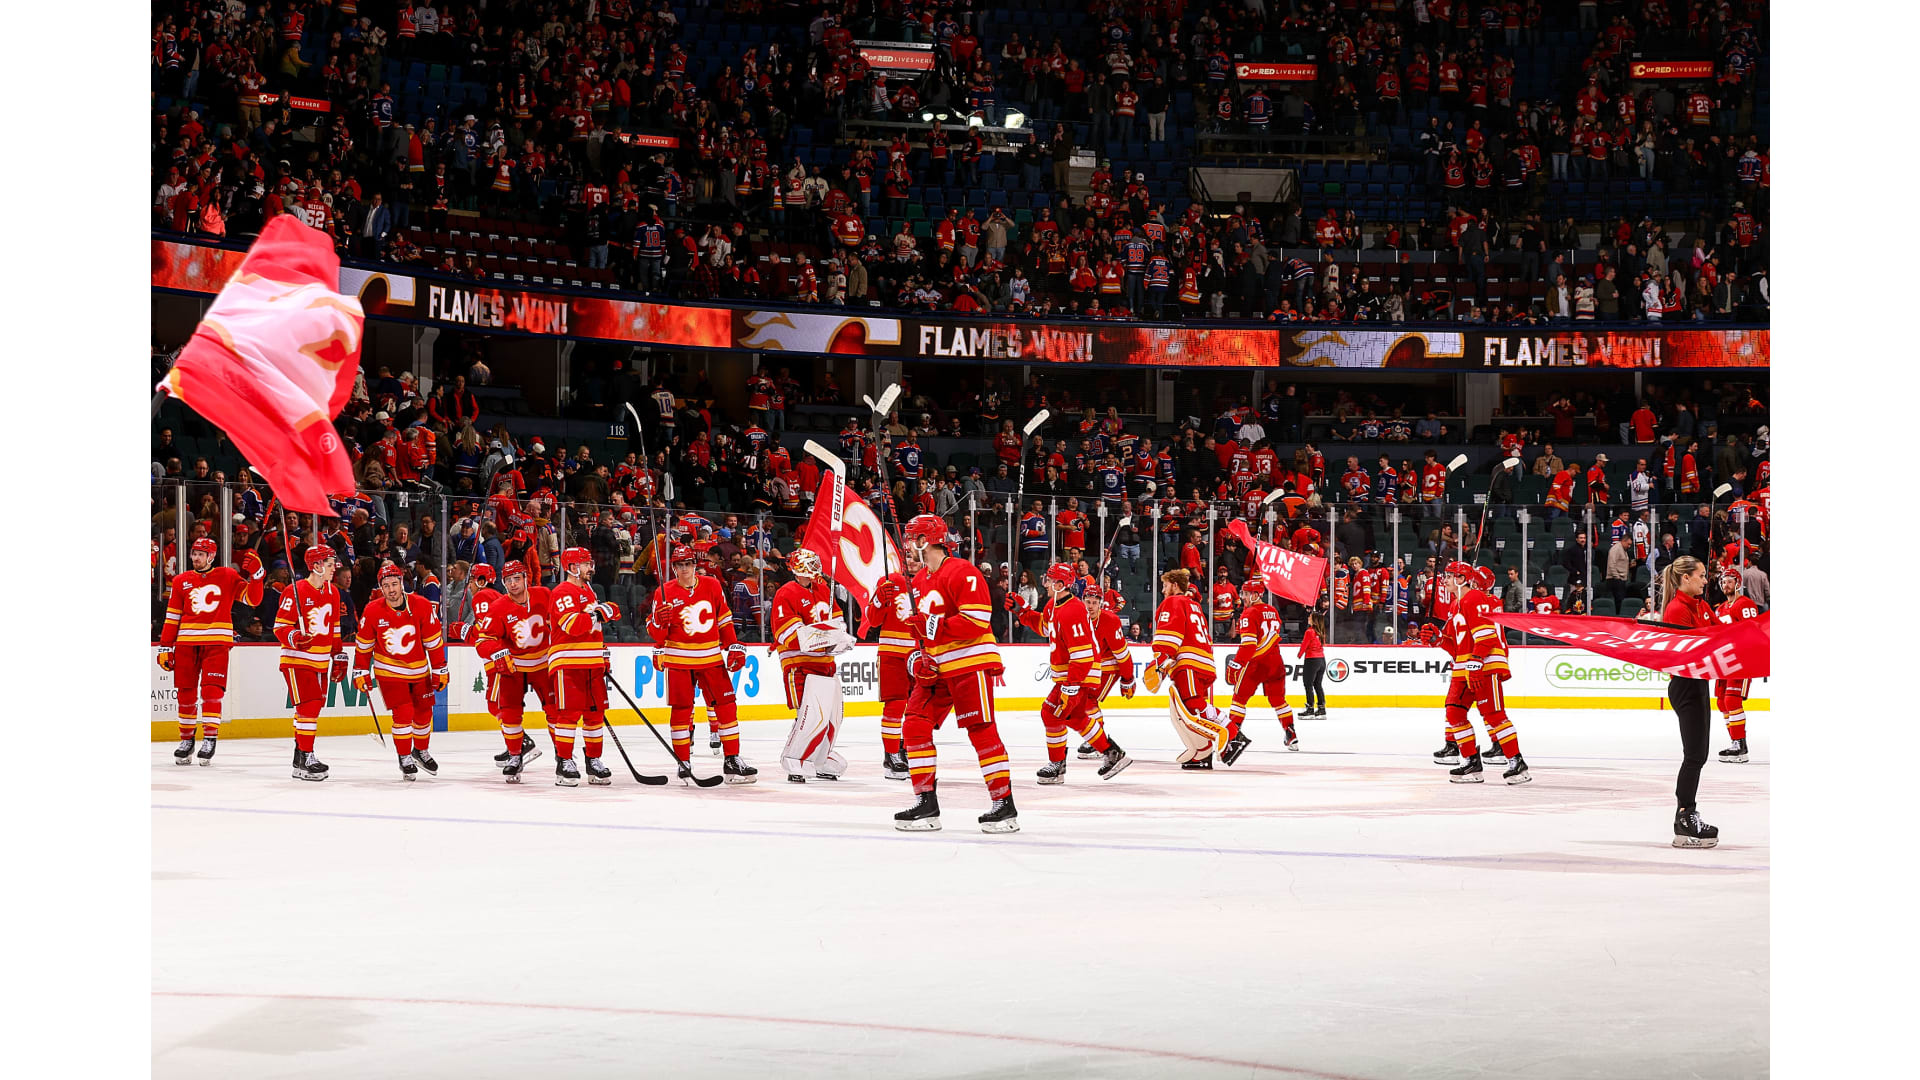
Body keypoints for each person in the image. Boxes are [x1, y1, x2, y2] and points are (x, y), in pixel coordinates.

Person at [890, 513, 1019, 832]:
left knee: (981, 730)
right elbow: (924, 635)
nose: (908, 545)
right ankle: (926, 803)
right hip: (938, 669)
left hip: (969, 663)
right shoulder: (920, 580)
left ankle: (1004, 805)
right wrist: (918, 659)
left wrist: (929, 626)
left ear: (925, 541)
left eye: (912, 538)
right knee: (914, 725)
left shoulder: (963, 571)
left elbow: (976, 620)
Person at [1009, 563, 1132, 784]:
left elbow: (1082, 654)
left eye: (1049, 580)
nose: (1045, 583)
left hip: (1079, 675)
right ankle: (1112, 753)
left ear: (1059, 585)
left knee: (1053, 713)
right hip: (1071, 675)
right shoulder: (1053, 605)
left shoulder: (1073, 610)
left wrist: (1071, 686)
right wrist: (1023, 611)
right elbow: (1044, 627)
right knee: (1072, 716)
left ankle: (1058, 765)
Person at [648, 543, 755, 784]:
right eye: (679, 565)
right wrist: (659, 621)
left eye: (688, 564)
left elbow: (724, 617)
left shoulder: (712, 585)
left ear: (695, 565)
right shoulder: (663, 592)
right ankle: (683, 761)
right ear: (674, 568)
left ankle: (732, 758)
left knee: (727, 706)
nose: (684, 569)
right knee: (681, 710)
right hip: (678, 660)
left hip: (710, 657)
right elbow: (655, 633)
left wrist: (733, 645)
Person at [158, 538, 265, 765]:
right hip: (186, 643)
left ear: (211, 556)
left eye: (201, 554)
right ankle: (186, 740)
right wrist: (165, 646)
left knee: (211, 691)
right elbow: (172, 617)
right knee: (186, 693)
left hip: (216, 643)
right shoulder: (181, 581)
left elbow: (253, 599)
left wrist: (257, 576)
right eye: (194, 553)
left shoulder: (227, 575)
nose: (196, 558)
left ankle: (209, 738)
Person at [351, 562, 450, 779]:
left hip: (419, 671)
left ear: (402, 583)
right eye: (386, 586)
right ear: (381, 588)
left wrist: (440, 668)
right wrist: (361, 670)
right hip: (389, 672)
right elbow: (364, 645)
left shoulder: (421, 605)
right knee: (403, 714)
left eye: (394, 584)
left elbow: (433, 642)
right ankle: (404, 756)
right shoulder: (373, 610)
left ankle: (420, 751)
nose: (391, 589)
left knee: (424, 714)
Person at [1434, 564, 1530, 784]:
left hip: (1483, 665)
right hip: (1463, 667)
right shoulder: (1456, 604)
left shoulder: (1475, 598)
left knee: (1494, 715)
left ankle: (1517, 763)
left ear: (1461, 579)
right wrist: (1436, 639)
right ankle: (1471, 763)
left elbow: (1486, 636)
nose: (1444, 580)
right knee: (1454, 713)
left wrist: (1477, 661)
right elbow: (1455, 646)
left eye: (1449, 576)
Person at [773, 549, 855, 782]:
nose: (815, 570)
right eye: (810, 565)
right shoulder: (786, 593)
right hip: (800, 665)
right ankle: (795, 758)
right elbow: (789, 635)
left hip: (826, 665)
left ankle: (819, 757)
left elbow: (838, 623)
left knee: (832, 717)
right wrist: (825, 638)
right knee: (808, 716)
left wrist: (838, 639)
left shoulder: (823, 590)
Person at [1654, 555, 1720, 847]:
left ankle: (1687, 815)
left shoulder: (1700, 605)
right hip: (1686, 685)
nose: (1705, 580)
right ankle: (1684, 817)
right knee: (1694, 755)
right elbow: (1690, 651)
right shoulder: (1677, 609)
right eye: (1701, 575)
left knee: (1699, 754)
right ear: (1686, 578)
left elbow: (1719, 634)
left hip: (1699, 683)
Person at [473, 559, 552, 781]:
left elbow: (561, 621)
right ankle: (515, 755)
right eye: (508, 580)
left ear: (526, 578)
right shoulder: (498, 606)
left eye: (517, 578)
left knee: (556, 712)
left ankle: (563, 757)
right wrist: (498, 652)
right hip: (514, 665)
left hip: (543, 663)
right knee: (508, 712)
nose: (513, 584)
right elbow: (483, 641)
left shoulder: (544, 595)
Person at [547, 547, 621, 786]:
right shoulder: (562, 592)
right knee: (568, 714)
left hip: (592, 662)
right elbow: (573, 626)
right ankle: (564, 762)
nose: (591, 567)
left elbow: (594, 629)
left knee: (595, 714)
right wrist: (600, 613)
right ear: (572, 567)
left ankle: (593, 760)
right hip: (568, 661)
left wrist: (602, 654)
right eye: (586, 563)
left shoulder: (588, 591)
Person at [274, 544, 347, 780]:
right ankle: (307, 756)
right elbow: (280, 627)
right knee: (309, 706)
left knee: (310, 708)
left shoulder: (333, 592)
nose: (334, 569)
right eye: (329, 564)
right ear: (316, 566)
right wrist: (295, 636)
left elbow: (335, 629)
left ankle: (299, 759)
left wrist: (338, 654)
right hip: (297, 660)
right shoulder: (294, 591)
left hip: (321, 661)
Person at [1150, 568, 1229, 769]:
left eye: (1165, 585)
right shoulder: (1194, 605)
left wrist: (1159, 660)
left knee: (1191, 707)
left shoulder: (1173, 602)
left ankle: (1232, 733)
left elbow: (1169, 635)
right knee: (1179, 711)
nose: (1163, 590)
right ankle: (1202, 751)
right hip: (1202, 661)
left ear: (1175, 585)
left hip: (1189, 663)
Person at [1225, 574, 1300, 754]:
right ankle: (1290, 733)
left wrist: (1236, 664)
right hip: (1276, 662)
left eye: (1246, 593)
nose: (1243, 597)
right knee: (1278, 700)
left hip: (1256, 664)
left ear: (1256, 595)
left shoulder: (1249, 613)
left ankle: (1233, 736)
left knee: (1239, 699)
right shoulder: (1273, 611)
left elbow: (1249, 646)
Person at [862, 556, 919, 780]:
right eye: (909, 556)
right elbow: (873, 620)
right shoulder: (891, 581)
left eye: (917, 557)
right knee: (895, 705)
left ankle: (905, 749)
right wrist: (878, 600)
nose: (912, 561)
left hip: (920, 655)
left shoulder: (930, 581)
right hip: (893, 654)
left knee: (917, 709)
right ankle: (892, 754)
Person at [1075, 588, 1137, 758]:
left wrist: (1127, 678)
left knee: (1088, 699)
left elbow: (1122, 653)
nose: (1091, 606)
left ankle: (1098, 741)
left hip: (1109, 667)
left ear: (1100, 604)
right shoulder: (1078, 617)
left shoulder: (1110, 620)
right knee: (1082, 700)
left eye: (1095, 603)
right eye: (1088, 602)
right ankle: (1096, 739)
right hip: (1091, 666)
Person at [1713, 565, 1763, 764]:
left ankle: (1740, 746)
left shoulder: (1745, 604)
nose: (1726, 585)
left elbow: (1752, 630)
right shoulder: (1720, 609)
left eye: (1730, 581)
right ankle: (1735, 742)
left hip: (1741, 659)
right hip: (1724, 660)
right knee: (1721, 702)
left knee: (1732, 700)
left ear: (1738, 584)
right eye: (1723, 582)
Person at [1299, 612, 1328, 720]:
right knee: (1317, 684)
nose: (1308, 618)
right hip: (1321, 660)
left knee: (1308, 684)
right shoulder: (1321, 631)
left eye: (1310, 617)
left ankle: (1310, 709)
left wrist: (1299, 654)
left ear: (1314, 620)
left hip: (1312, 659)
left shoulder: (1309, 631)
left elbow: (1304, 645)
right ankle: (1321, 709)